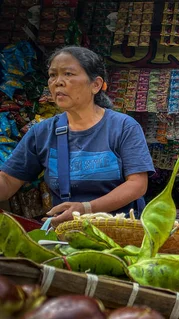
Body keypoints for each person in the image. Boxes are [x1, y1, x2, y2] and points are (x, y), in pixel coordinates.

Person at [0, 46, 154, 225]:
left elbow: (137, 184)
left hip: (120, 234)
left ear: (95, 85)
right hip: (68, 236)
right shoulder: (41, 132)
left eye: (68, 74)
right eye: (52, 75)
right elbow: (8, 181)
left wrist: (86, 208)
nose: (58, 82)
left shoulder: (123, 127)